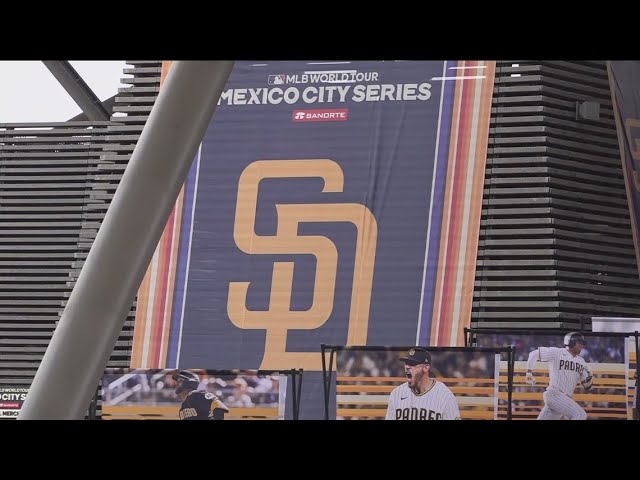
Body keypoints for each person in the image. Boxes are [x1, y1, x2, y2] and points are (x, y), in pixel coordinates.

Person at [525, 332, 593, 420]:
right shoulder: (557, 352)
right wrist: (529, 373)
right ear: (570, 342)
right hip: (555, 394)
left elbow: (588, 386)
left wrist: (590, 378)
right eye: (579, 342)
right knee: (580, 415)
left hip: (564, 399)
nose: (582, 345)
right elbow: (533, 354)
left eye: (583, 343)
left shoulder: (582, 361)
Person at [385, 347, 461, 420]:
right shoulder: (397, 394)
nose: (407, 366)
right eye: (406, 363)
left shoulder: (445, 396)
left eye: (412, 363)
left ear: (426, 368)